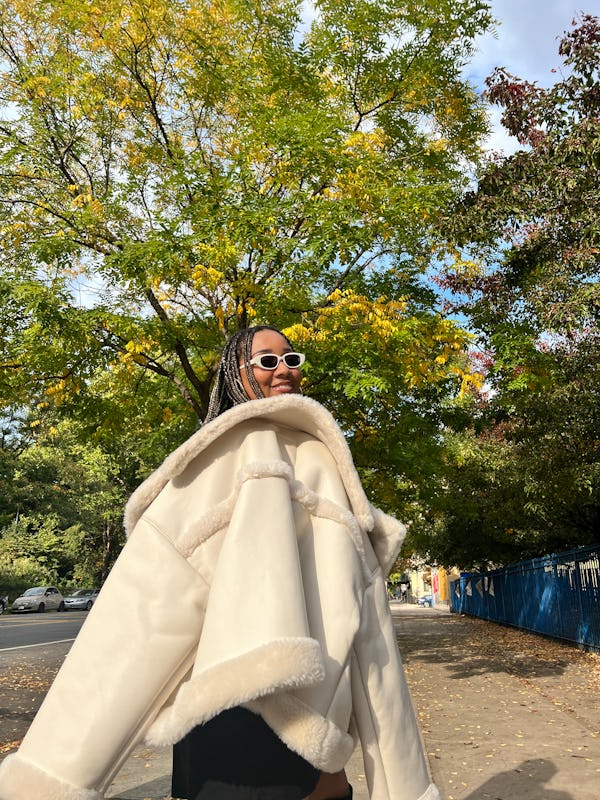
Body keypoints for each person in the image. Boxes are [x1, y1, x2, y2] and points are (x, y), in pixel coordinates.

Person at [0, 325, 440, 800]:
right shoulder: (235, 458)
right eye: (267, 361)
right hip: (267, 726)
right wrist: (405, 786)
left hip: (245, 720)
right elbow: (147, 606)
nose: (284, 369)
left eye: (291, 359)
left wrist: (49, 780)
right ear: (234, 373)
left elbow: (147, 609)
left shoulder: (321, 462)